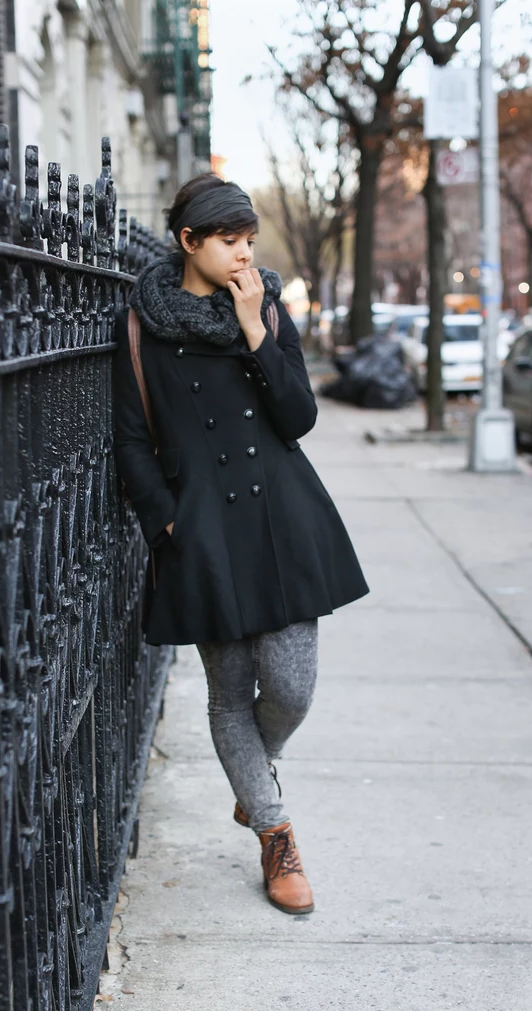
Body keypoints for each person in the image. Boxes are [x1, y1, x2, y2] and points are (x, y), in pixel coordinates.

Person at [113, 173, 368, 915]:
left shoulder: (265, 307)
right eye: (229, 241)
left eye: (250, 241)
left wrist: (257, 327)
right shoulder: (140, 325)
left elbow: (298, 417)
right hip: (202, 532)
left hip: (281, 520)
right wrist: (166, 523)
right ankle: (274, 832)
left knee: (291, 687)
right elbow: (132, 440)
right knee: (231, 697)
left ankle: (253, 775)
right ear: (188, 241)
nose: (243, 255)